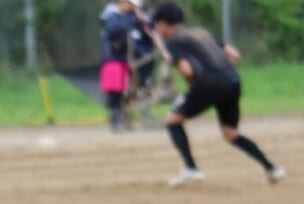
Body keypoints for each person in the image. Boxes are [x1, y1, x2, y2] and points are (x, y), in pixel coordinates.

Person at [151, 1, 287, 187]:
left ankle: (192, 169)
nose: (158, 30)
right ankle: (272, 169)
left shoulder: (174, 41)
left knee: (172, 120)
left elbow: (187, 70)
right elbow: (233, 55)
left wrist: (193, 86)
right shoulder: (201, 33)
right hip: (232, 80)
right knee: (230, 133)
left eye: (157, 25)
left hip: (210, 84)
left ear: (163, 23)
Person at [99, 0, 151, 131]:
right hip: (112, 59)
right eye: (131, 5)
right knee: (114, 91)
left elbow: (147, 27)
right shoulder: (112, 16)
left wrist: (142, 20)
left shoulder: (129, 17)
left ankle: (122, 119)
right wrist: (134, 20)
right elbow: (114, 30)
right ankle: (115, 120)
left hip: (123, 60)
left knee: (123, 90)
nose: (132, 8)